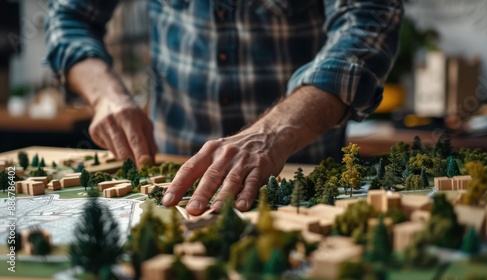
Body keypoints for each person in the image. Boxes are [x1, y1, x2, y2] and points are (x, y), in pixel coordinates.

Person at [45, 0, 403, 215]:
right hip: (171, 174)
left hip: (302, 177)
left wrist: (272, 133)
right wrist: (106, 95)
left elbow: (369, 22)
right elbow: (68, 18)